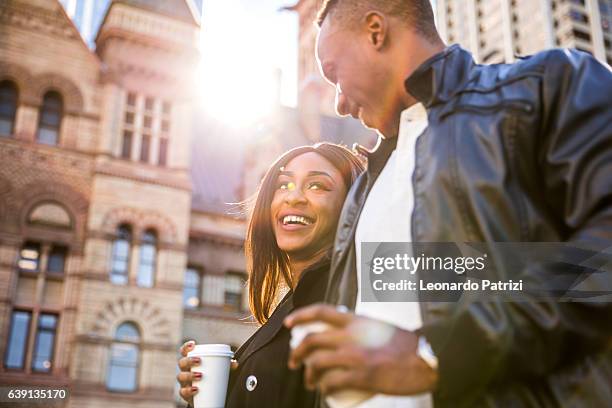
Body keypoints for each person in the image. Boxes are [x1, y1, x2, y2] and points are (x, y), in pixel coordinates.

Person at [284, 0, 612, 407]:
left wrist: (434, 356)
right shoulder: (366, 184)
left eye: (334, 73)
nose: (338, 103)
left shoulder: (549, 87)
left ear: (375, 31)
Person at [177, 143, 364, 407]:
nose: (293, 197)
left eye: (317, 186)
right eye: (284, 185)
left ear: (351, 207)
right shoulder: (289, 308)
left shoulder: (350, 300)